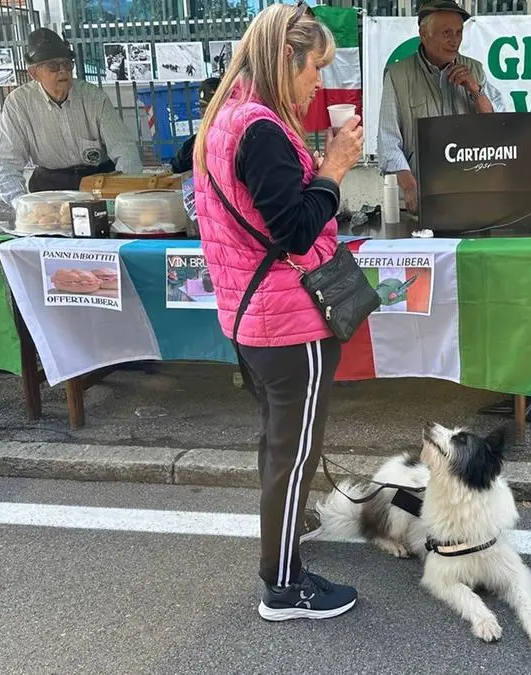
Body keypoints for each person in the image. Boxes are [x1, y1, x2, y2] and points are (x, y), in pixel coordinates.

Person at [192, 3, 363, 620]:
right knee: (292, 456)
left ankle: (286, 541)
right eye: (314, 67)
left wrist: (316, 173)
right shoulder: (260, 128)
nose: (318, 81)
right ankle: (284, 584)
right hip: (290, 321)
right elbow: (293, 231)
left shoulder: (226, 118)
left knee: (278, 447)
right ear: (285, 58)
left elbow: (265, 220)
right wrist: (334, 170)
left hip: (251, 315)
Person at [377, 0, 505, 213]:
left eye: (458, 32)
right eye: (446, 32)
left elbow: (500, 127)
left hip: (473, 192)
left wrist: (476, 90)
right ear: (424, 34)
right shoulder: (398, 75)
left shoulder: (474, 69)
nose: (454, 41)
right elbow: (388, 140)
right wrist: (409, 186)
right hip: (421, 197)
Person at [0, 28, 142, 205]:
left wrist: (125, 195)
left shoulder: (93, 97)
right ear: (34, 74)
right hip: (50, 187)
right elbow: (6, 164)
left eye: (67, 64)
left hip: (98, 181)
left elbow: (124, 149)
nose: (63, 71)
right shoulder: (18, 103)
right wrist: (22, 205)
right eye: (53, 66)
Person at [170, 77, 221, 174]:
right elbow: (178, 165)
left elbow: (178, 166)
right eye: (202, 107)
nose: (202, 112)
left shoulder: (199, 141)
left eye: (205, 107)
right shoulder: (196, 142)